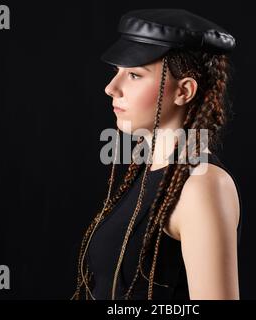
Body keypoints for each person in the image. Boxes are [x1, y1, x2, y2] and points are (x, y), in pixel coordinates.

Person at [72, 9, 242, 300]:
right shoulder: (145, 173)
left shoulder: (202, 185)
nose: (112, 88)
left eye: (135, 75)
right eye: (117, 72)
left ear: (184, 91)